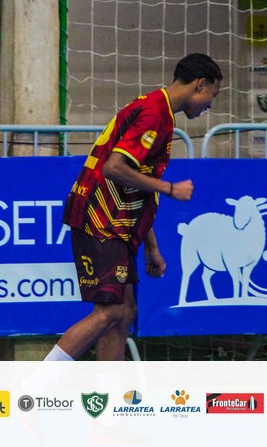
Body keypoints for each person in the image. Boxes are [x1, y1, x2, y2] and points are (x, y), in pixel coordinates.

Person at [45, 53, 223, 361]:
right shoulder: (154, 113)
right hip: (101, 219)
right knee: (110, 311)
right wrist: (170, 189)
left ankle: (108, 389)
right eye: (213, 95)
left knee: (125, 311)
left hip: (118, 221)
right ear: (199, 84)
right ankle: (35, 384)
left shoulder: (159, 111)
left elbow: (137, 185)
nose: (210, 104)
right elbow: (114, 167)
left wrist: (151, 247)